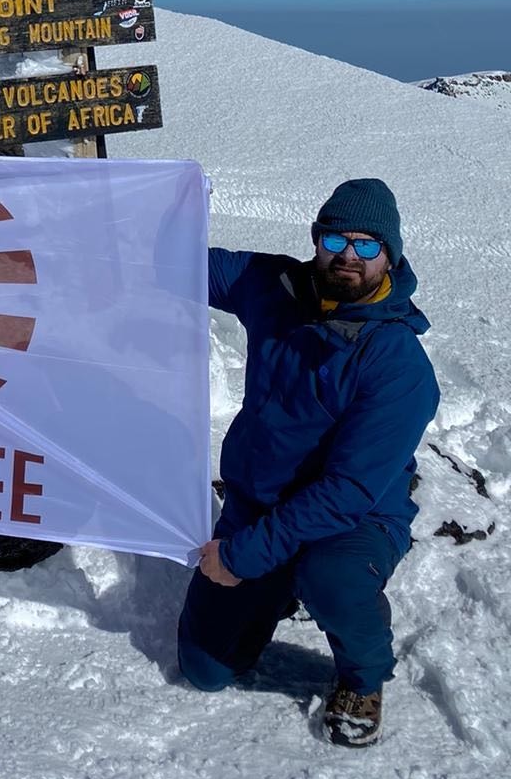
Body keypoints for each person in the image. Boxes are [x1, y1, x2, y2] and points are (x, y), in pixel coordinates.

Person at [177, 178, 439, 748]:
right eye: (334, 238)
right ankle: (279, 586)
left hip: (353, 522)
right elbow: (180, 264)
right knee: (205, 669)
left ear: (389, 255)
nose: (348, 254)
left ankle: (363, 674)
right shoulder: (272, 286)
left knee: (331, 576)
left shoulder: (398, 363)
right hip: (258, 502)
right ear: (315, 240)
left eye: (367, 245)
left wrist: (244, 555)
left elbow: (347, 491)